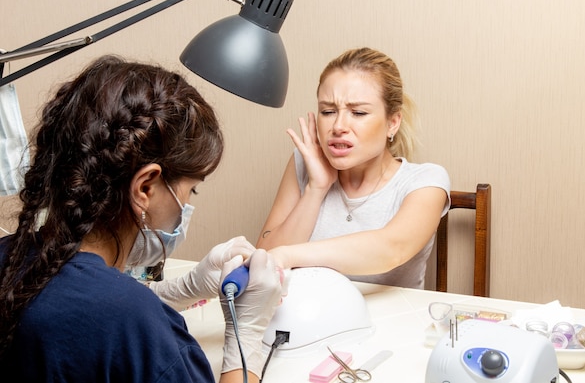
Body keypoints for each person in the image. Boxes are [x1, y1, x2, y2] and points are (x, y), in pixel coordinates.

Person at [0, 56, 282, 383]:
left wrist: (179, 290)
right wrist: (244, 336)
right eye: (192, 191)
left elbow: (85, 309)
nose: (189, 203)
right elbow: (114, 320)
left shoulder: (9, 256)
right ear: (146, 187)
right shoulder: (133, 323)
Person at [257, 47, 450, 289]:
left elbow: (391, 250)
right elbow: (264, 261)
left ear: (392, 123)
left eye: (358, 113)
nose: (338, 126)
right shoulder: (304, 163)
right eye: (328, 111)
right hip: (310, 322)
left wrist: (288, 256)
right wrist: (315, 189)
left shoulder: (425, 180)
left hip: (391, 324)